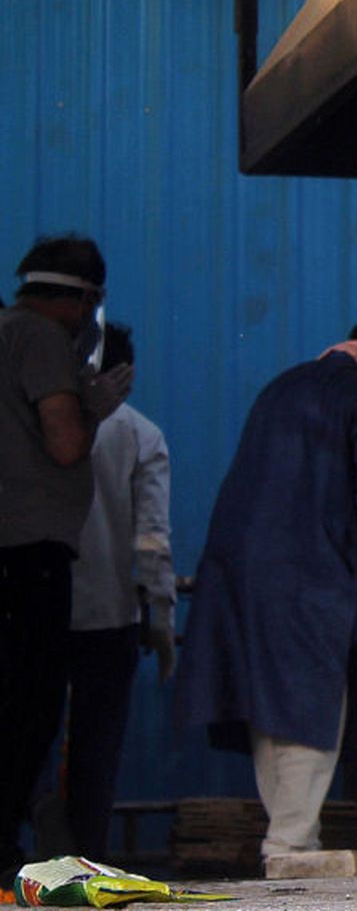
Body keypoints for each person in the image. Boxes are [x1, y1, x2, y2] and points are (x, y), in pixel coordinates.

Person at [174, 312, 357, 865]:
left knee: (270, 707)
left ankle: (288, 835)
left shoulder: (284, 386)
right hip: (313, 572)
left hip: (239, 572)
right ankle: (291, 844)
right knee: (312, 702)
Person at [1, 236, 128, 881]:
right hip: (30, 552)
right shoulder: (43, 341)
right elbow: (65, 441)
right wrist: (94, 405)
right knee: (29, 703)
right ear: (83, 300)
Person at [60, 323, 176, 858]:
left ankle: (21, 861)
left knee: (26, 744)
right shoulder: (140, 433)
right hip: (110, 618)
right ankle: (84, 860)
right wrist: (161, 617)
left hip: (36, 609)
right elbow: (151, 540)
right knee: (95, 752)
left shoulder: (35, 426)